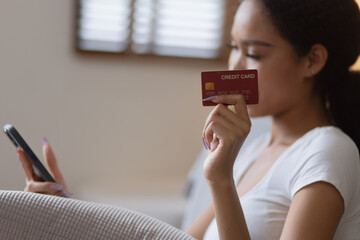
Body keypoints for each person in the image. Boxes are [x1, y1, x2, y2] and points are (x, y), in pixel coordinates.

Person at [16, 0, 360, 239]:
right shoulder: (257, 150)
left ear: (312, 60)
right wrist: (68, 213)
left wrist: (220, 178)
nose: (235, 66)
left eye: (253, 53)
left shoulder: (327, 152)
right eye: (233, 47)